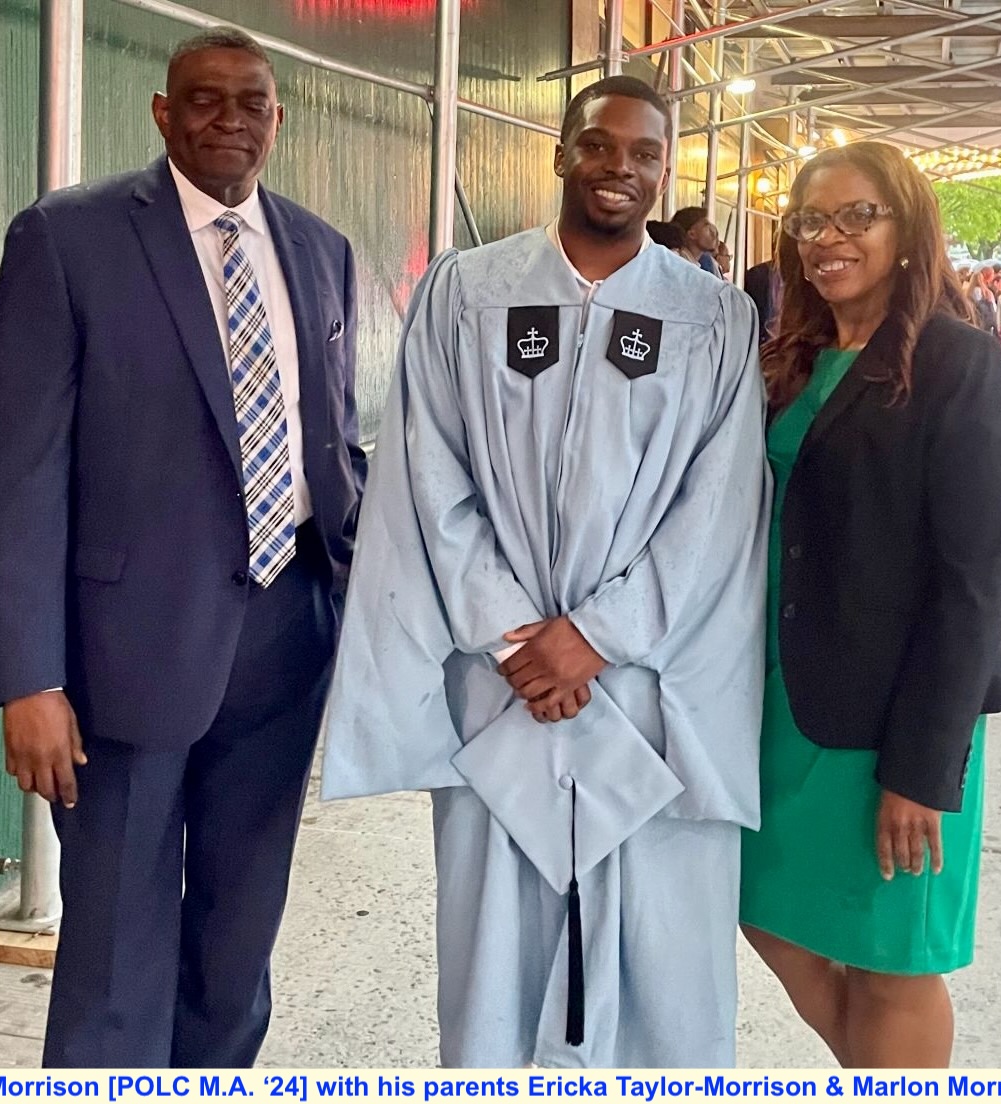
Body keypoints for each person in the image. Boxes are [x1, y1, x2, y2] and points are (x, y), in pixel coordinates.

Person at [322, 75, 769, 1068]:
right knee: (495, 946)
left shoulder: (713, 319)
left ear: (665, 171)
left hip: (644, 684)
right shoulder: (467, 292)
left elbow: (721, 506)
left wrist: (598, 637)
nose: (621, 168)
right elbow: (426, 473)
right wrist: (522, 635)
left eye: (645, 154)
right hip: (507, 682)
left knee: (660, 946)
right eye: (600, 146)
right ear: (561, 154)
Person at [0, 28, 366, 1067]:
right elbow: (18, 473)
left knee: (238, 942)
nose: (227, 118)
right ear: (161, 111)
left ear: (278, 119)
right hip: (120, 657)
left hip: (285, 646)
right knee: (112, 950)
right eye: (202, 99)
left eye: (251, 102)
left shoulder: (320, 250)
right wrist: (30, 678)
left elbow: (330, 442)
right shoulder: (70, 239)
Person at [740, 141, 1001, 1068]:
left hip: (893, 721)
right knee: (767, 911)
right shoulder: (794, 355)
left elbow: (973, 586)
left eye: (857, 216)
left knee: (894, 963)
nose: (830, 238)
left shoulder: (958, 363)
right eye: (811, 220)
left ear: (906, 230)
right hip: (785, 701)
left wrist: (922, 768)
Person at [671, 204, 721, 274]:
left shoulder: (694, 264)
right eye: (707, 226)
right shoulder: (674, 261)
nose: (713, 232)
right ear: (692, 234)